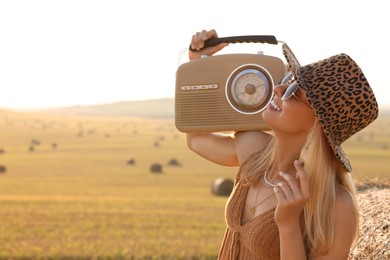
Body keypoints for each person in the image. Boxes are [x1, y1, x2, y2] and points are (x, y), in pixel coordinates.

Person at [186, 29, 379, 259]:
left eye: (293, 92)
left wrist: (288, 225)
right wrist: (198, 64)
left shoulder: (335, 205)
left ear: (317, 127)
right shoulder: (252, 147)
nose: (277, 89)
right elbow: (195, 138)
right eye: (288, 80)